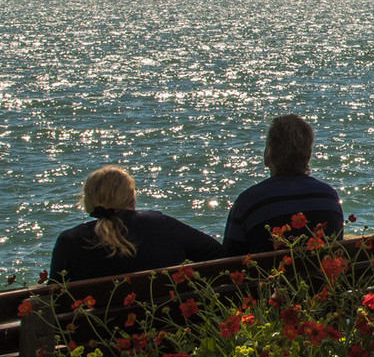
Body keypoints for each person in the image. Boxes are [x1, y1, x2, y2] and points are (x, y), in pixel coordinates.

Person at [50, 166, 222, 283]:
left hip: (97, 335)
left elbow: (55, 299)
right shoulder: (161, 225)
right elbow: (219, 255)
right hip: (168, 327)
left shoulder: (69, 241)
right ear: (132, 196)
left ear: (88, 202)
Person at [222, 114, 344, 256]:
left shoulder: (247, 203)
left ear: (267, 156)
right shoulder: (328, 198)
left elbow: (229, 261)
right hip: (321, 278)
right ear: (308, 156)